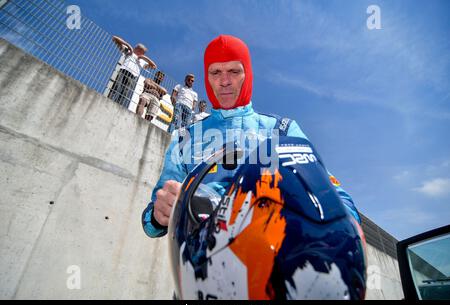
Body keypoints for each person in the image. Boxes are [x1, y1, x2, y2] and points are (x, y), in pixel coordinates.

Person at [141, 35, 361, 238]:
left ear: (248, 74)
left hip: (279, 262)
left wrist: (341, 225)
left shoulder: (282, 130)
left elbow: (337, 198)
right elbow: (151, 220)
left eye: (234, 71)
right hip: (201, 268)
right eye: (215, 72)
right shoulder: (184, 139)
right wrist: (159, 214)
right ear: (207, 77)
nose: (224, 81)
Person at [108, 36, 157, 108]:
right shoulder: (128, 51)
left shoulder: (142, 61)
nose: (138, 51)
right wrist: (128, 46)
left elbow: (154, 66)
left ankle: (118, 105)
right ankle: (108, 99)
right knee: (116, 86)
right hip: (123, 70)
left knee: (125, 92)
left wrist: (143, 58)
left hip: (133, 76)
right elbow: (114, 38)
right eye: (138, 49)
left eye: (141, 51)